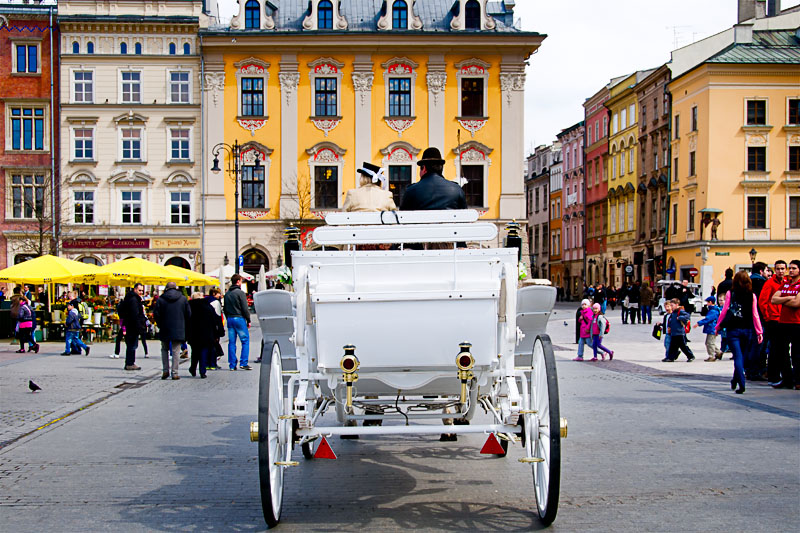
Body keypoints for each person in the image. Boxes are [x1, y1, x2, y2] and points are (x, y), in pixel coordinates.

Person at [716, 271, 763, 394]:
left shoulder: (730, 293)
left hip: (733, 329)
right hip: (747, 330)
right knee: (742, 356)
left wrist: (718, 326)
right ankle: (736, 379)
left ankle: (740, 382)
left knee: (738, 356)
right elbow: (755, 314)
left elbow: (725, 310)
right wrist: (759, 331)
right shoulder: (752, 295)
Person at [399, 147, 467, 211]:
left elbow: (403, 216)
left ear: (424, 168)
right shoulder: (457, 190)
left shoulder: (411, 191)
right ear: (441, 168)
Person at [770, 259, 800, 389]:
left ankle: (798, 380)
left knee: (797, 353)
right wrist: (788, 298)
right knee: (781, 352)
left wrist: (783, 300)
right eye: (790, 268)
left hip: (797, 323)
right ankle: (787, 379)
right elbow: (773, 299)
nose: (791, 270)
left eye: (794, 268)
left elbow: (797, 303)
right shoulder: (786, 284)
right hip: (783, 322)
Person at [153, 282, 191, 380]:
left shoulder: (161, 299)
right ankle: (175, 372)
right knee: (176, 351)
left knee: (164, 349)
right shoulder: (183, 299)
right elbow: (188, 314)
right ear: (176, 288)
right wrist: (183, 324)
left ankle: (165, 370)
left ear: (166, 288)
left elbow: (156, 314)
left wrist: (160, 324)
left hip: (165, 328)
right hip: (178, 328)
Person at [759, 260, 787, 387]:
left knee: (782, 349)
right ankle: (773, 375)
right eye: (778, 269)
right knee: (775, 348)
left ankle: (783, 374)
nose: (780, 271)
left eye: (782, 268)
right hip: (773, 319)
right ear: (774, 270)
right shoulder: (769, 283)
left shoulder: (787, 283)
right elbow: (762, 301)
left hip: (785, 319)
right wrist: (767, 317)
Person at [187, 292, 223, 379]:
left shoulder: (189, 307)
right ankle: (202, 371)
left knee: (195, 352)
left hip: (193, 334)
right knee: (204, 351)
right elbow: (216, 320)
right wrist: (218, 333)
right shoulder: (208, 307)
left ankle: (193, 368)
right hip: (206, 334)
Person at [224, 273, 251, 371]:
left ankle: (232, 365)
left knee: (231, 342)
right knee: (245, 340)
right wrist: (248, 319)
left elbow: (225, 308)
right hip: (239, 318)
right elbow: (245, 308)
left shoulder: (227, 294)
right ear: (238, 281)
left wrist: (228, 318)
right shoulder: (240, 293)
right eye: (241, 280)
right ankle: (243, 363)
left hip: (230, 318)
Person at [118, 283, 146, 371]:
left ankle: (130, 363)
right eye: (139, 290)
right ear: (135, 290)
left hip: (129, 324)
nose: (141, 292)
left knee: (131, 344)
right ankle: (130, 363)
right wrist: (140, 326)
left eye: (142, 290)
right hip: (132, 326)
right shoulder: (134, 300)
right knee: (132, 345)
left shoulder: (131, 298)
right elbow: (135, 314)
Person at [695, 296, 722, 362]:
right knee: (709, 342)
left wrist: (699, 323)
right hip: (712, 328)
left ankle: (712, 356)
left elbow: (708, 319)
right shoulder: (713, 310)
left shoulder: (713, 311)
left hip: (712, 328)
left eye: (707, 302)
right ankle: (718, 352)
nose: (706, 303)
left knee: (710, 343)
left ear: (710, 302)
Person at [205, 288, 224, 369]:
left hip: (206, 326)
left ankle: (206, 363)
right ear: (214, 293)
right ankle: (213, 364)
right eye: (218, 294)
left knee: (207, 346)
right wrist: (220, 330)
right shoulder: (216, 302)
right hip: (214, 326)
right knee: (214, 344)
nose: (219, 295)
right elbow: (218, 316)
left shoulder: (206, 301)